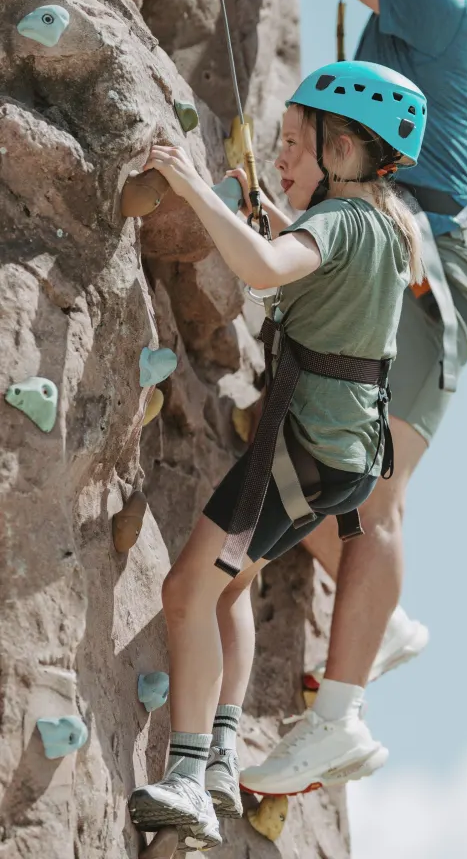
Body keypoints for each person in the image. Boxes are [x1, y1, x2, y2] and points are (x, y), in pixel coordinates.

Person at [126, 59, 426, 850]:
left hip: (300, 457)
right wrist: (274, 218)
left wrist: (190, 182)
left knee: (188, 590)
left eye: (294, 142)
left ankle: (188, 776)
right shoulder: (380, 226)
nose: (282, 155)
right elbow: (300, 277)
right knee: (226, 592)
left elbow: (265, 270)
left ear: (342, 147)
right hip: (332, 460)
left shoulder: (338, 225)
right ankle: (220, 753)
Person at [241, 0, 467, 793]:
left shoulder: (436, 0)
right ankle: (377, 623)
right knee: (331, 481)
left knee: (375, 493)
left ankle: (338, 719)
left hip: (429, 269)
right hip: (391, 251)